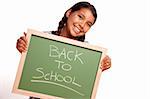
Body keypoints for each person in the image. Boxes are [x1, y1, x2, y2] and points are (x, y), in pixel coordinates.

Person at [16, 1, 111, 99]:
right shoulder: (44, 38)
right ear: (69, 13)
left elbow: (84, 83)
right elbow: (32, 67)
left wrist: (101, 64)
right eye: (80, 17)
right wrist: (24, 48)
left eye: (88, 24)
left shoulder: (88, 53)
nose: (82, 25)